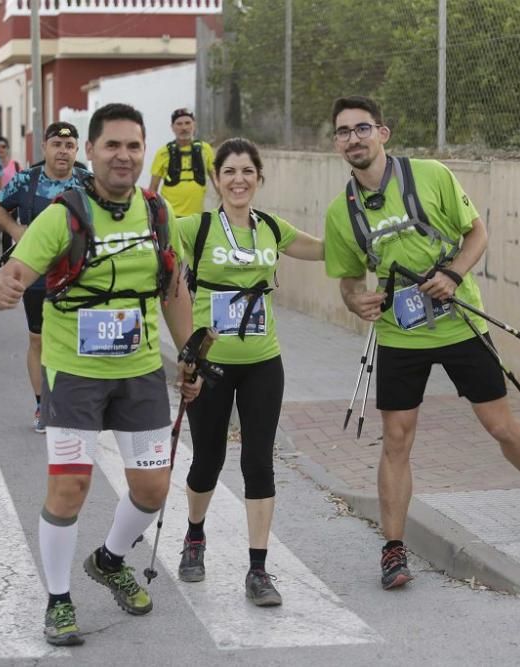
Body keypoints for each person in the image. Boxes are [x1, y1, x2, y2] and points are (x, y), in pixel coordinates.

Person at [323, 96, 520, 591]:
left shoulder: (431, 175)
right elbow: (349, 283)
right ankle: (394, 549)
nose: (354, 138)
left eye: (362, 128)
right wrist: (357, 302)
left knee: (499, 425)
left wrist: (453, 274)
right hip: (399, 334)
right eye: (344, 132)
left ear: (383, 133)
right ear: (336, 143)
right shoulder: (340, 213)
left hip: (460, 323)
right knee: (396, 439)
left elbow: (477, 232)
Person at [0, 103, 202, 647]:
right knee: (70, 489)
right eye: (112, 146)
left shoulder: (157, 214)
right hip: (75, 373)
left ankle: (108, 560)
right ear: (91, 152)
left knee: (152, 490)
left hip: (141, 369)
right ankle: (58, 599)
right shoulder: (63, 215)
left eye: (133, 146)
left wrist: (193, 352)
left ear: (143, 150)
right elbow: (9, 276)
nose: (123, 156)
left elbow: (172, 286)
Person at [175, 137, 323, 606]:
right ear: (216, 179)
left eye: (248, 171)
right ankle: (194, 536)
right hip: (211, 365)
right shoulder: (195, 228)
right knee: (207, 460)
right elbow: (151, 236)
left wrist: (365, 234)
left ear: (259, 178)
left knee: (259, 463)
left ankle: (258, 570)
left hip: (263, 363)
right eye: (230, 171)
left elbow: (324, 249)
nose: (239, 179)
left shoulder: (271, 228)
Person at [0, 121, 88, 432]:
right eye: (57, 145)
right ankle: (41, 404)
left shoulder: (89, 183)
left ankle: (75, 403)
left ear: (77, 150)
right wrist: (17, 231)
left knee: (78, 341)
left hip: (80, 276)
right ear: (44, 147)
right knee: (38, 339)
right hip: (38, 276)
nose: (63, 151)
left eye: (69, 146)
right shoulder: (26, 181)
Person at [149, 108, 215, 216]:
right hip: (170, 216)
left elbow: (218, 181)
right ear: (172, 127)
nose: (184, 128)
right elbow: (153, 188)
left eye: (187, 123)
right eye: (179, 124)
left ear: (194, 125)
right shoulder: (163, 153)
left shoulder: (205, 149)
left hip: (196, 217)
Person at [0, 135, 21, 260]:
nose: (1, 149)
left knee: (7, 238)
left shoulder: (15, 166)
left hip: (11, 207)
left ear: (7, 149)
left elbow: (21, 185)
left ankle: (6, 265)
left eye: (3, 146)